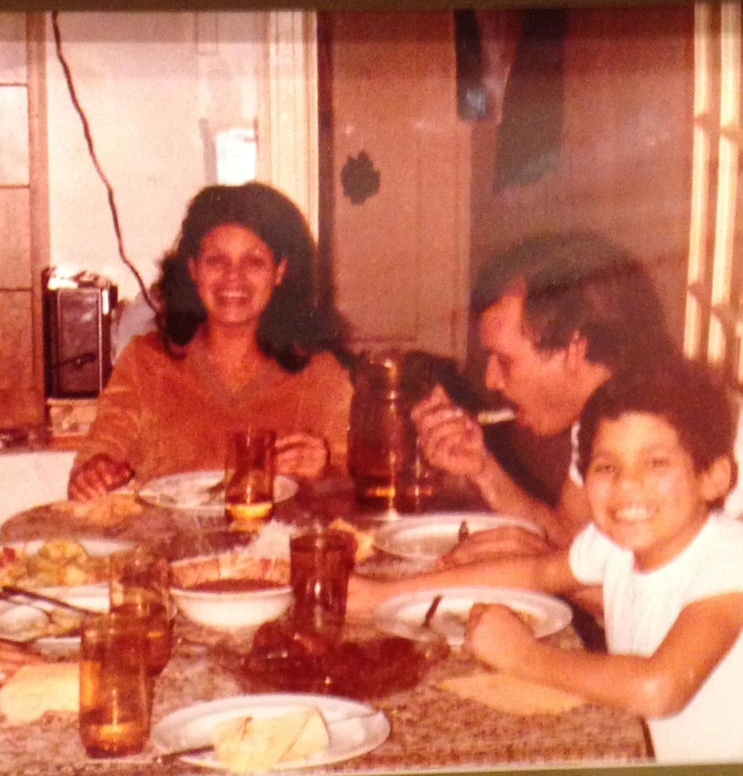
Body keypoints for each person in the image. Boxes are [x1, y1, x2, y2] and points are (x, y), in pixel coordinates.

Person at [351, 357, 743, 763]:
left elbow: (660, 689)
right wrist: (383, 596)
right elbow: (536, 572)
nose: (627, 485)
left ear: (714, 477)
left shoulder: (729, 560)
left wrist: (524, 656)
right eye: (606, 466)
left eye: (655, 463)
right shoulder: (615, 542)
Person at [68, 183, 353, 500]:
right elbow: (93, 461)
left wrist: (326, 471)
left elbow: (354, 497)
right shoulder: (145, 362)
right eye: (216, 261)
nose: (233, 277)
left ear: (280, 271)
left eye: (253, 262)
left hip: (276, 548)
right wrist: (95, 475)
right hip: (163, 548)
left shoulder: (322, 376)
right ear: (193, 269)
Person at [413, 232, 679, 552]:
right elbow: (570, 538)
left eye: (505, 360)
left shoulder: (664, 435)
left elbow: (639, 597)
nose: (491, 380)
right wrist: (482, 469)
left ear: (573, 350)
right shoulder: (607, 414)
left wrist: (537, 561)